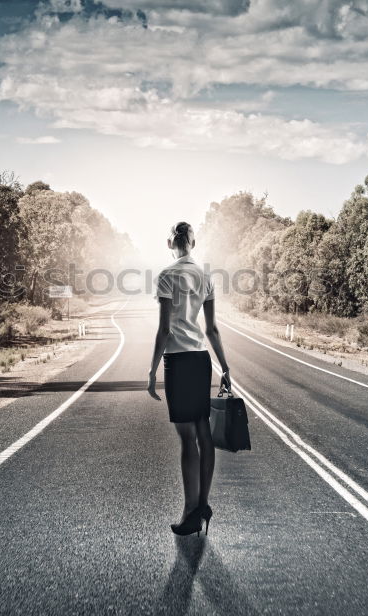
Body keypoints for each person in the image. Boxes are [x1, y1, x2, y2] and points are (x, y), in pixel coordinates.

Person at [147, 221, 231, 537]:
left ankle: (189, 509)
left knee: (187, 440)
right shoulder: (205, 277)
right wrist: (225, 368)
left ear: (170, 243)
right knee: (203, 433)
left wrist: (152, 370)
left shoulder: (167, 276)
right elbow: (211, 330)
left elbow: (164, 329)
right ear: (193, 243)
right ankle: (203, 505)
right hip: (200, 359)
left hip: (178, 361)